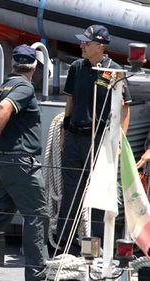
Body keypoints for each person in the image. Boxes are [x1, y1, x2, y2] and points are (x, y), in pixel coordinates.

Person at [0, 45, 48, 281]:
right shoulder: (24, 86)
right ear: (35, 66)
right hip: (20, 162)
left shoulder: (3, 86)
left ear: (13, 63)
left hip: (3, 161)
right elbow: (5, 108)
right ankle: (36, 274)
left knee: (0, 213)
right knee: (38, 214)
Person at [58, 25, 131, 251]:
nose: (81, 46)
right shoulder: (76, 67)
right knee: (71, 194)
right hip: (74, 137)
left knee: (100, 194)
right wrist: (64, 132)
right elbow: (69, 103)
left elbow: (124, 108)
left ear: (100, 46)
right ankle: (63, 246)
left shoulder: (115, 71)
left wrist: (119, 139)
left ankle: (98, 249)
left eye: (86, 43)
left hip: (100, 139)